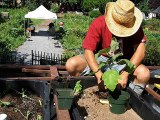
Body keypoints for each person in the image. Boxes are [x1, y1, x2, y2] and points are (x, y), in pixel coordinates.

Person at [65, 0, 150, 96]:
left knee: (143, 74)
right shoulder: (99, 22)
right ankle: (82, 93)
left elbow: (141, 51)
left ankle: (129, 99)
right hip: (100, 59)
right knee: (72, 64)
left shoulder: (135, 26)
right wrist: (98, 73)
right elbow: (88, 50)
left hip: (124, 62)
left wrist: (125, 74)